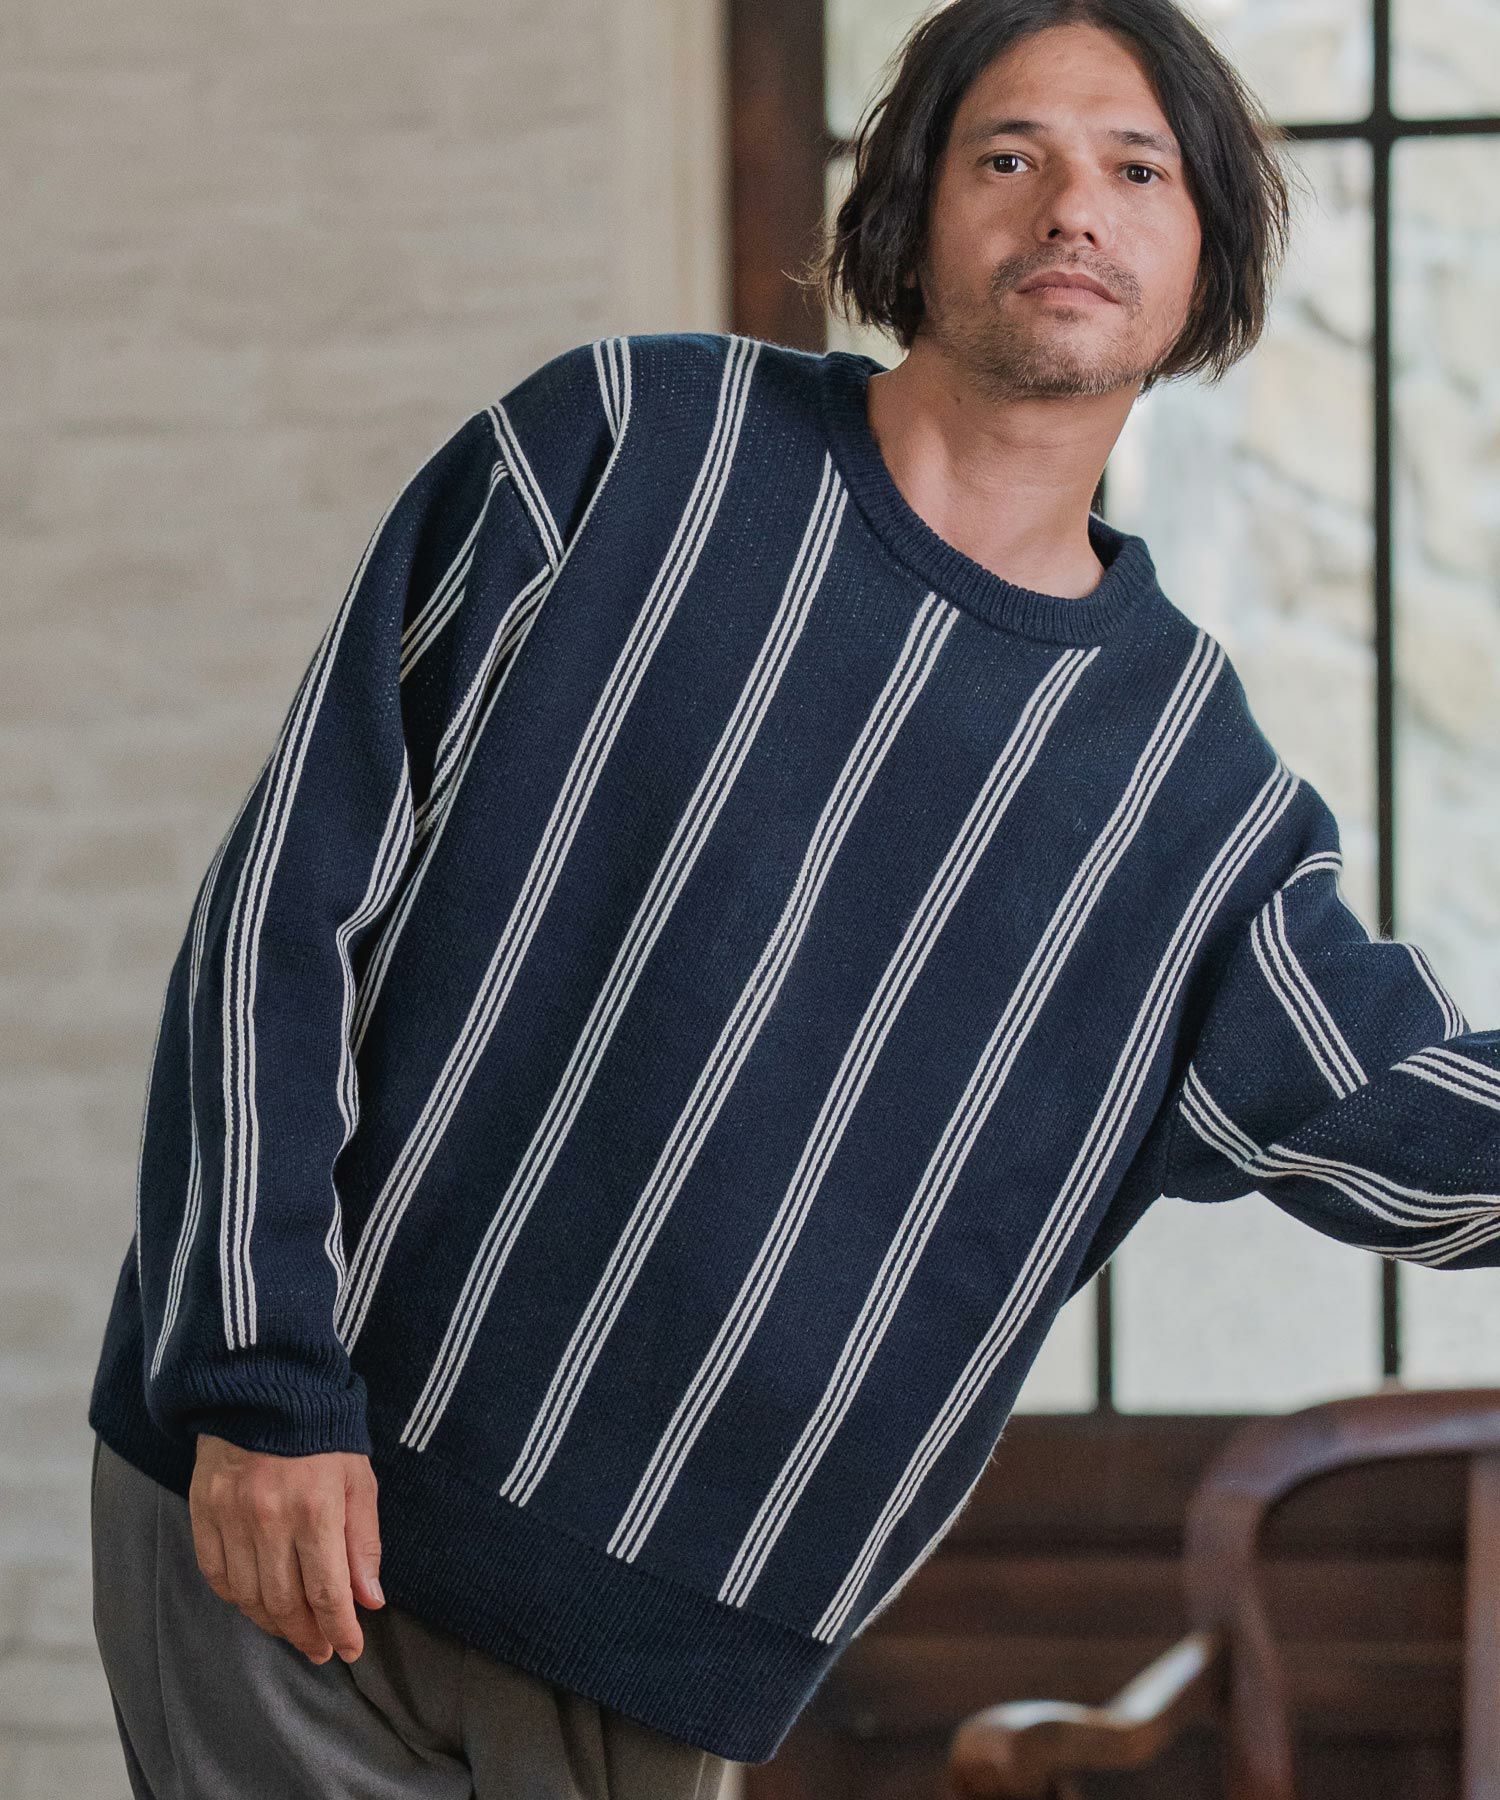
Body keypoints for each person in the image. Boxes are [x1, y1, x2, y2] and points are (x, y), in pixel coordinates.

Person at [88, 0, 1500, 1792]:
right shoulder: (619, 444)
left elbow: (1419, 1124)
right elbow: (286, 911)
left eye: (1139, 171)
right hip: (294, 1500)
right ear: (909, 205)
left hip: (657, 1641)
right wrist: (258, 1380)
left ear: (1207, 255)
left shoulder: (1193, 795)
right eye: (1011, 155)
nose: (1075, 207)